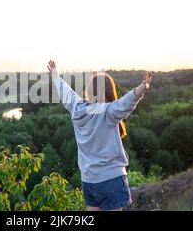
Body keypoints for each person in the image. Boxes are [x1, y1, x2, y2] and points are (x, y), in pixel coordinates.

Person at [47, 60, 152, 211]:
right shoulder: (108, 111)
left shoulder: (77, 108)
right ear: (109, 91)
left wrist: (55, 74)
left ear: (90, 90)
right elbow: (126, 102)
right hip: (111, 178)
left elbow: (65, 91)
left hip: (89, 181)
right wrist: (143, 87)